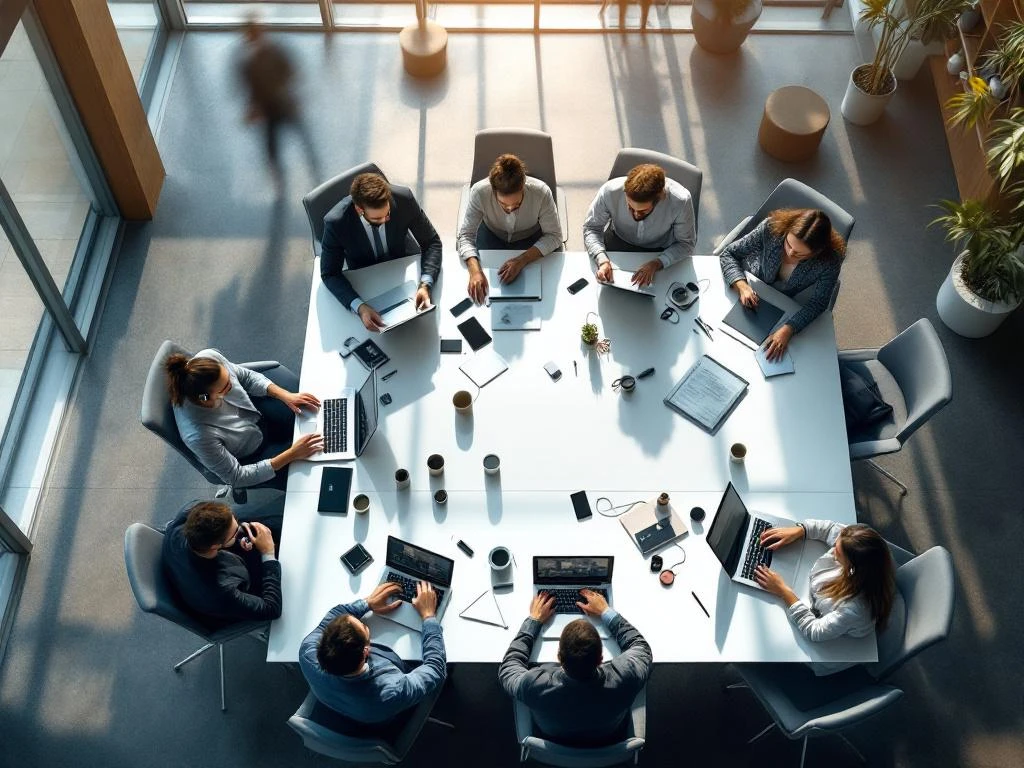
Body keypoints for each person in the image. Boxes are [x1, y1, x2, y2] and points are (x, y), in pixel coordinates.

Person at [498, 590, 652, 746]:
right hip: (607, 735)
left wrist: (534, 621)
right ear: (601, 659)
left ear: (559, 657)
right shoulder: (627, 677)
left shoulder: (534, 686)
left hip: (552, 738)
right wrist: (606, 612)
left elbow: (508, 668)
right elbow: (641, 647)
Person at [299, 582, 447, 734]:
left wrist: (367, 603)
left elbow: (340, 612)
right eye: (364, 626)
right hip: (379, 718)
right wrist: (429, 617)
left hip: (338, 704)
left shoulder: (307, 652)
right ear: (366, 651)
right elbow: (435, 669)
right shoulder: (390, 691)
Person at [166, 348, 322, 491]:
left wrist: (285, 395)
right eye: (227, 388)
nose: (232, 386)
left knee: (314, 415)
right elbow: (236, 477)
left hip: (255, 414)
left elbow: (246, 377)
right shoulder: (199, 435)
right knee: (311, 469)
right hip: (254, 452)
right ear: (205, 399)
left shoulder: (209, 358)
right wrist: (292, 454)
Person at [755, 520, 896, 672]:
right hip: (818, 599)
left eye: (838, 551)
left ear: (852, 568)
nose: (834, 546)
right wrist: (801, 530)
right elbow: (831, 529)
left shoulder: (855, 609)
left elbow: (815, 631)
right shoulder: (861, 551)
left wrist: (783, 591)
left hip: (831, 643)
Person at [320, 172, 443, 332]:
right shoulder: (336, 223)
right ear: (359, 209)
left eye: (388, 213)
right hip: (366, 277)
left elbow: (431, 241)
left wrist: (425, 284)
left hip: (400, 266)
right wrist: (360, 307)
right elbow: (329, 273)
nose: (386, 220)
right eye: (377, 219)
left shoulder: (403, 199)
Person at [718, 208, 846, 361]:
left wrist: (789, 329)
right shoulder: (772, 228)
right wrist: (742, 286)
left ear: (817, 252)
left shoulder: (829, 262)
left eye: (799, 254)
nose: (791, 253)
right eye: (788, 244)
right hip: (753, 285)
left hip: (784, 302)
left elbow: (819, 302)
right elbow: (729, 254)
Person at [457, 153, 562, 304]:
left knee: (539, 296)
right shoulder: (480, 192)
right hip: (491, 236)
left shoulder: (541, 193)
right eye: (503, 205)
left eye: (517, 204)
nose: (510, 209)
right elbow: (466, 235)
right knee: (482, 298)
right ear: (493, 190)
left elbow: (554, 236)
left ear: (523, 186)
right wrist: (475, 271)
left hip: (530, 240)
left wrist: (523, 260)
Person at [161, 498, 283, 628]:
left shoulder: (183, 519)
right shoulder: (221, 589)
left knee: (265, 526)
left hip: (188, 565)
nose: (239, 527)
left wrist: (238, 536)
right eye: (235, 533)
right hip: (226, 604)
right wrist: (267, 553)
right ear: (215, 546)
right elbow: (271, 609)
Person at [237, 15, 319, 192]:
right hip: (272, 108)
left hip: (283, 104)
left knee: (301, 134)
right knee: (274, 144)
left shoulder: (274, 52)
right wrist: (254, 106)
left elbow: (291, 72)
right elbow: (251, 87)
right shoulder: (249, 61)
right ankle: (281, 176)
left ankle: (311, 165)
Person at [582, 163, 696, 289]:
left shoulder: (680, 201)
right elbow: (591, 228)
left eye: (643, 211)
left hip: (660, 250)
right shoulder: (609, 191)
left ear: (659, 199)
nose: (635, 215)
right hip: (618, 241)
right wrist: (602, 259)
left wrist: (657, 263)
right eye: (629, 207)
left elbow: (686, 244)